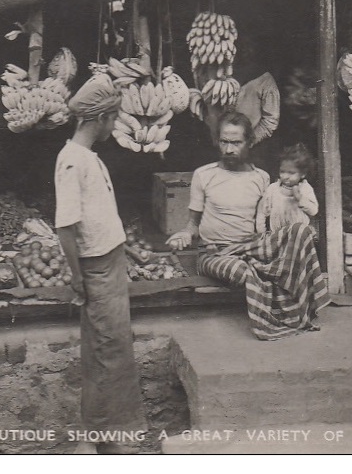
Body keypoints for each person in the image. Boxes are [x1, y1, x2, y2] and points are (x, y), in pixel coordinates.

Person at [166, 111, 330, 340]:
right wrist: (184, 233)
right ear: (217, 141)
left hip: (253, 247)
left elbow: (267, 217)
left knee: (301, 232)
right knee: (244, 272)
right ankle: (279, 313)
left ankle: (296, 301)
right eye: (224, 142)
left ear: (250, 142)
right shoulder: (203, 175)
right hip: (215, 254)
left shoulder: (262, 178)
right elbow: (192, 224)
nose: (229, 149)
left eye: (236, 142)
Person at [54, 73, 147, 454]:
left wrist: (130, 250)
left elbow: (99, 216)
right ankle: (98, 440)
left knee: (111, 349)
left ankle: (105, 437)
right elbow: (65, 227)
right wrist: (78, 279)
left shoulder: (87, 158)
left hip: (110, 261)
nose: (114, 125)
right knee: (108, 350)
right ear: (101, 118)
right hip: (95, 269)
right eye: (113, 118)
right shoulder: (73, 162)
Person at [256, 143, 319, 234]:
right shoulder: (273, 189)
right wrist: (261, 232)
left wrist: (300, 199)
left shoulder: (305, 189)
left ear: (302, 174)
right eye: (282, 171)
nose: (285, 176)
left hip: (299, 236)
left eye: (291, 173)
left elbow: (314, 211)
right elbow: (262, 211)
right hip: (277, 234)